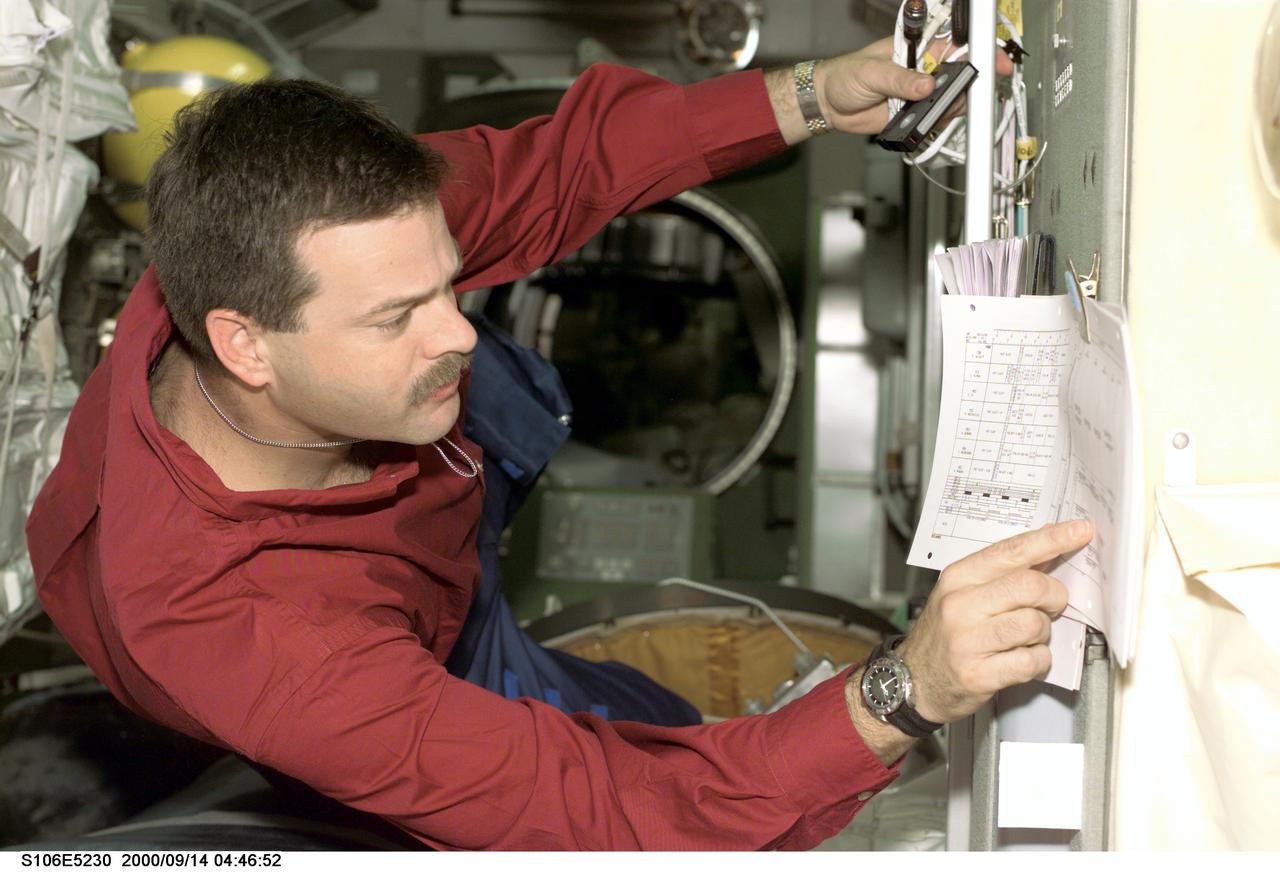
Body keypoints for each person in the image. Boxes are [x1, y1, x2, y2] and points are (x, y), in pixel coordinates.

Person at [26, 38, 1088, 850]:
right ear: (244, 347)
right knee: (630, 745)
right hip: (404, 627)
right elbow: (597, 812)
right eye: (399, 316)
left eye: (448, 279)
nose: (456, 330)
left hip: (432, 509)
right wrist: (902, 690)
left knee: (504, 417)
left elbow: (556, 167)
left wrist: (810, 92)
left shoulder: (298, 236)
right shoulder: (269, 645)